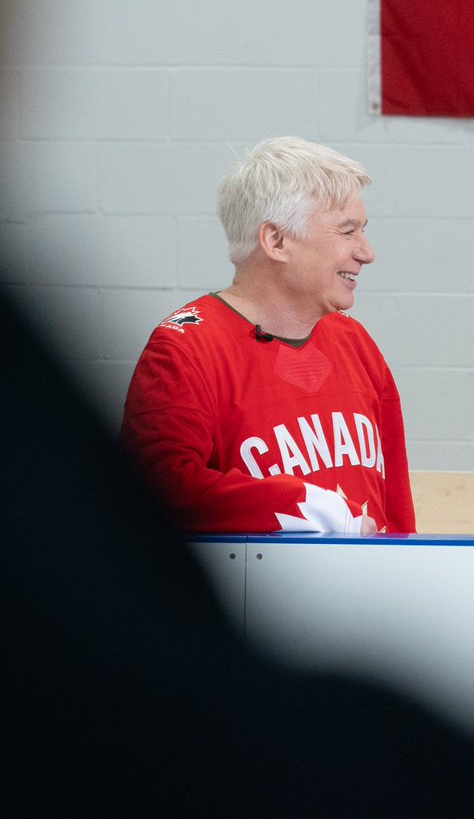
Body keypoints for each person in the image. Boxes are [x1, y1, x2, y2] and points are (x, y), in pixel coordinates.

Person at [119, 135, 415, 535]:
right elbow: (156, 489)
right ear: (276, 240)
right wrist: (312, 509)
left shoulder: (354, 341)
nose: (366, 252)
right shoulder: (186, 348)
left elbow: (394, 501)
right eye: (348, 232)